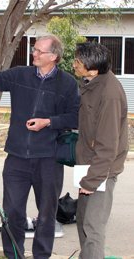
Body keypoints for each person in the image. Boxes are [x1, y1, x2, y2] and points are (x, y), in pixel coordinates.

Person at [0, 33, 79, 258]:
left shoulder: (67, 83)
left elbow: (76, 117)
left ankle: (42, 256)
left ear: (54, 56)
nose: (34, 53)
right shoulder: (21, 74)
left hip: (48, 160)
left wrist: (48, 122)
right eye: (34, 49)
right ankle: (14, 255)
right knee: (12, 214)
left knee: (47, 215)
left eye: (39, 51)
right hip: (17, 159)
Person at [73, 42, 128, 259]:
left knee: (92, 227)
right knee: (82, 220)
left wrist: (91, 180)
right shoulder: (91, 83)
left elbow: (107, 145)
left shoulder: (109, 94)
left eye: (78, 61)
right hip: (87, 165)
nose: (74, 64)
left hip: (100, 170)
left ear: (93, 69)